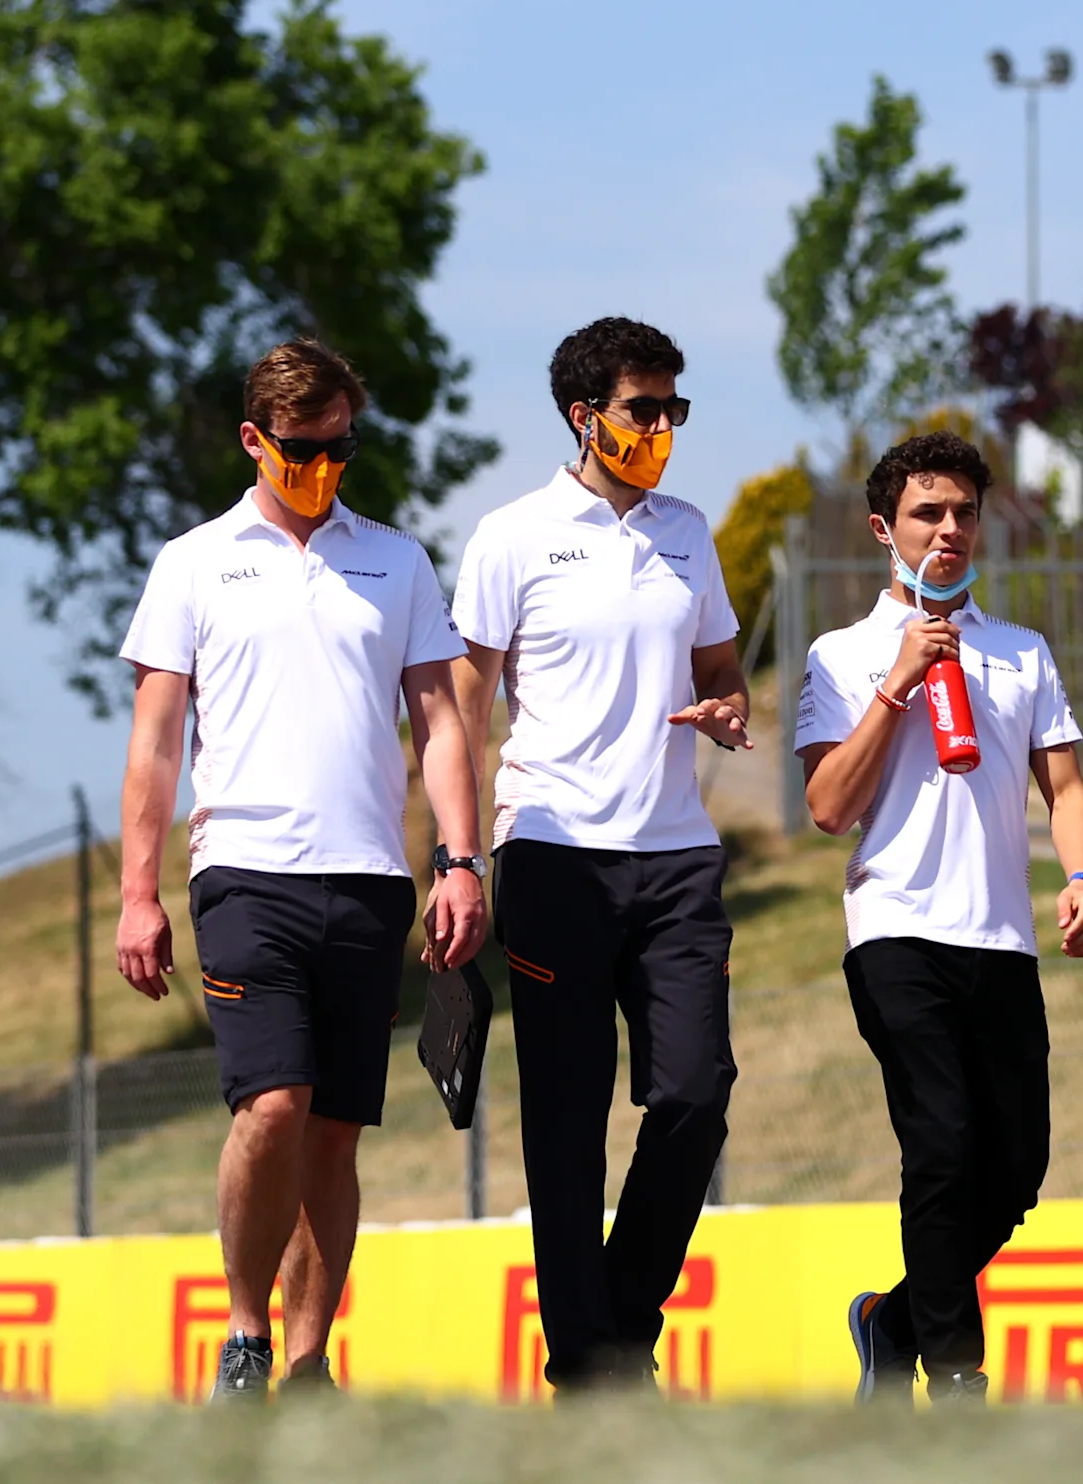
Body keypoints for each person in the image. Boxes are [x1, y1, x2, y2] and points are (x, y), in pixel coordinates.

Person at [114, 338, 488, 1402]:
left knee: (331, 1133)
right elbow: (154, 743)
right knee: (271, 1107)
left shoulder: (396, 561)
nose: (322, 467)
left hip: (366, 880)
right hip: (243, 875)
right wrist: (138, 894)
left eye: (339, 449)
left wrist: (459, 863)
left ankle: (313, 1361)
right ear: (253, 440)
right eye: (300, 450)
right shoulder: (192, 563)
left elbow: (439, 720)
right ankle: (244, 1335)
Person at [449, 316, 750, 1394]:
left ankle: (622, 1316)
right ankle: (587, 1363)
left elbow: (720, 665)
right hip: (553, 853)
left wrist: (725, 706)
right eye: (643, 409)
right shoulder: (509, 536)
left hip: (675, 856)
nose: (663, 426)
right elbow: (462, 707)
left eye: (674, 408)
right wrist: (456, 857)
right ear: (585, 416)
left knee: (696, 1092)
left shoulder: (688, 531)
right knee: (566, 1116)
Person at [796, 432, 1083, 1406]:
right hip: (893, 932)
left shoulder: (1021, 653)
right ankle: (956, 1373)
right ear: (884, 528)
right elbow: (827, 807)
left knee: (1015, 1166)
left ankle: (891, 1320)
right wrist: (898, 677)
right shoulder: (838, 655)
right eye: (928, 513)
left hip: (1000, 941)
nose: (949, 530)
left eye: (965, 512)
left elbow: (1065, 786)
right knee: (940, 1142)